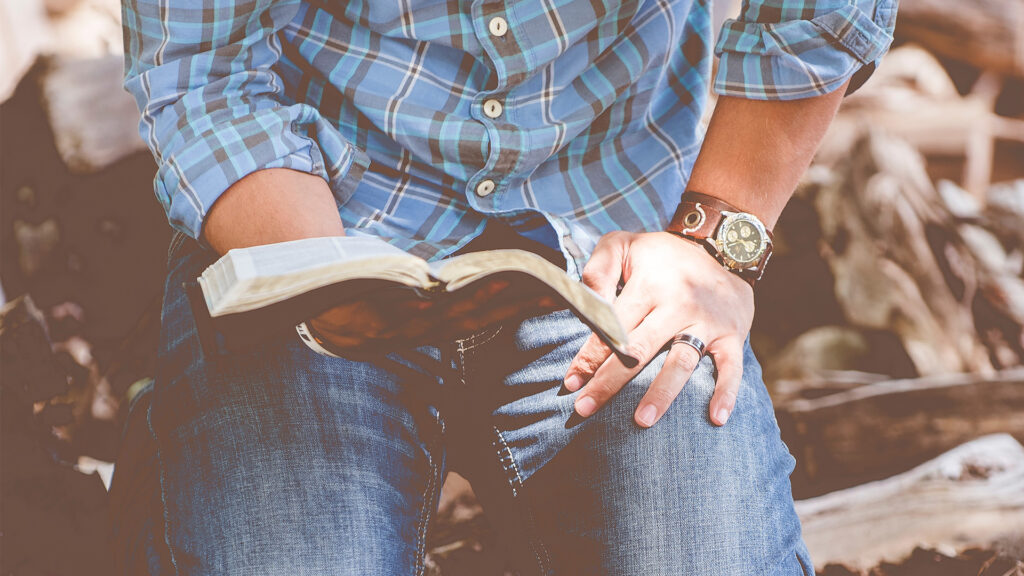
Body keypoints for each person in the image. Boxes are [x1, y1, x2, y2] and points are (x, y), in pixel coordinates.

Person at [111, 0, 896, 573]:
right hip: (312, 218)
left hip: (614, 244)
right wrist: (313, 270)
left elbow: (819, 12)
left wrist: (713, 245)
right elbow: (203, 67)